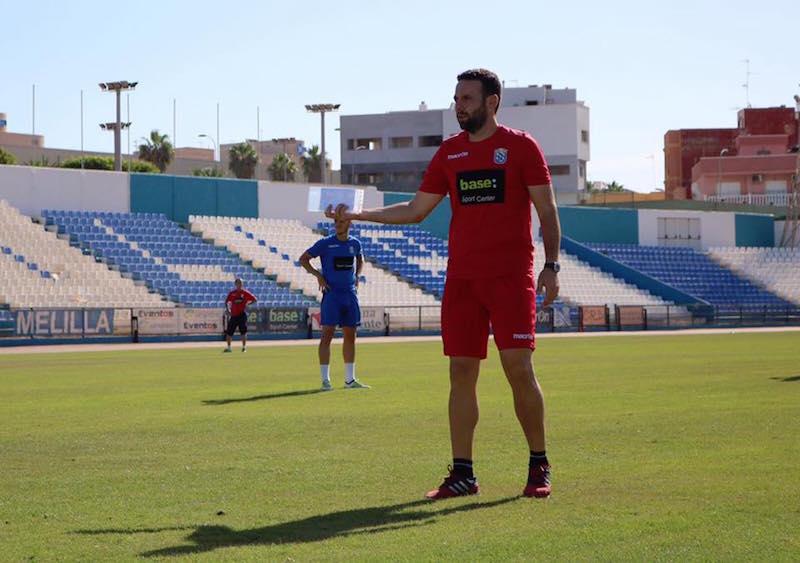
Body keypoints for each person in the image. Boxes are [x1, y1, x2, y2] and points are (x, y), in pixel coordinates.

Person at [328, 68, 561, 499]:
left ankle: (538, 464)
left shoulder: (521, 146)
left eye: (467, 99)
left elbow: (547, 211)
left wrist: (552, 266)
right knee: (460, 372)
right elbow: (417, 210)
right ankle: (463, 473)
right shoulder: (449, 153)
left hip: (511, 278)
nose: (459, 106)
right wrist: (358, 217)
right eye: (456, 99)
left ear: (492, 102)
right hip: (463, 281)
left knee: (519, 370)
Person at [299, 214, 370, 391]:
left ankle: (350, 379)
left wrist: (358, 275)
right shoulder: (325, 243)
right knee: (327, 335)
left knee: (351, 335)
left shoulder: (355, 244)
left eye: (342, 222)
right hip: (332, 295)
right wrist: (319, 276)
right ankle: (325, 381)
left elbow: (360, 258)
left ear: (350, 224)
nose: (338, 225)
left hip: (350, 294)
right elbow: (303, 259)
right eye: (336, 222)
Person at [224, 278, 257, 353]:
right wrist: (228, 309)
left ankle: (244, 348)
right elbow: (226, 302)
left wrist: (248, 303)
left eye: (241, 283)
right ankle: (229, 348)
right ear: (236, 284)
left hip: (242, 314)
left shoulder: (245, 293)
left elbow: (255, 299)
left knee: (243, 332)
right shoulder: (232, 293)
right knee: (229, 332)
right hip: (234, 315)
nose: (240, 284)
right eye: (238, 283)